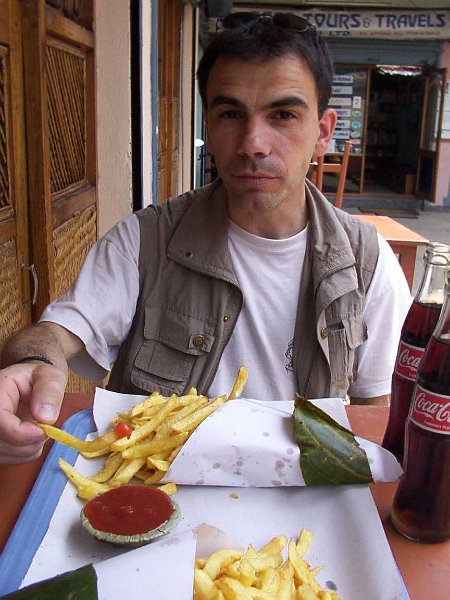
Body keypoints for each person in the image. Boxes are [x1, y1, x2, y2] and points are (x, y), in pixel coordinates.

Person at [0, 13, 411, 465]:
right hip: (156, 489)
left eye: (283, 115)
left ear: (323, 132)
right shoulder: (144, 242)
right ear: (209, 131)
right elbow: (54, 335)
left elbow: (375, 414)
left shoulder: (367, 263)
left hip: (298, 491)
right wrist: (34, 365)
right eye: (231, 114)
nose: (253, 143)